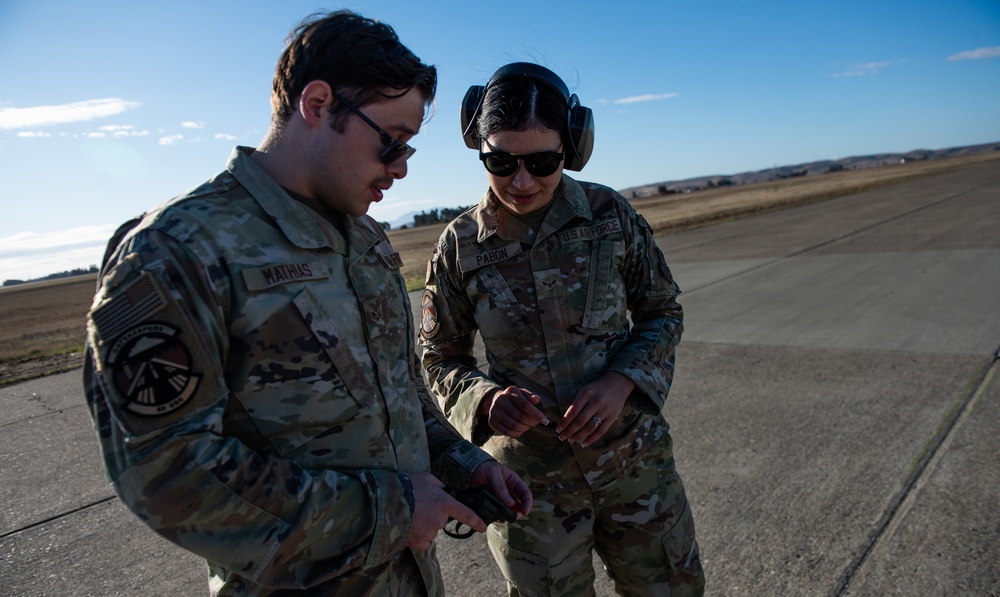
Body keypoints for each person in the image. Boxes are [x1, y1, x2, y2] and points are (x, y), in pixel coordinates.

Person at [82, 11, 531, 596]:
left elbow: (403, 399)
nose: (398, 168)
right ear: (317, 105)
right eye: (391, 142)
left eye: (409, 151)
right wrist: (388, 512)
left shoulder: (364, 239)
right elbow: (166, 473)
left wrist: (465, 465)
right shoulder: (177, 251)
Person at [419, 62, 704, 596]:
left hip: (634, 467)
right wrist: (483, 399)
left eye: (542, 161)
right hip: (529, 491)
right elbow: (438, 356)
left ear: (570, 148)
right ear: (479, 149)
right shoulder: (459, 247)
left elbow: (663, 311)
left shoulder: (609, 217)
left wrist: (621, 382)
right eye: (500, 161)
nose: (520, 180)